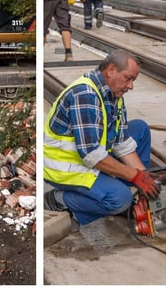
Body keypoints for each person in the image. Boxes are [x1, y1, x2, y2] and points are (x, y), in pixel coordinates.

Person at [42, 50, 158, 228]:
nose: (130, 86)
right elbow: (91, 154)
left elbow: (122, 142)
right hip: (66, 169)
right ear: (111, 70)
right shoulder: (84, 95)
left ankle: (135, 194)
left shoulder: (114, 94)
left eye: (133, 80)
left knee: (140, 128)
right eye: (128, 78)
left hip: (92, 159)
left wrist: (144, 176)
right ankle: (60, 200)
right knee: (120, 199)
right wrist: (134, 175)